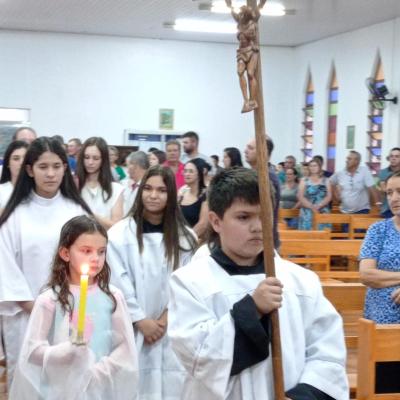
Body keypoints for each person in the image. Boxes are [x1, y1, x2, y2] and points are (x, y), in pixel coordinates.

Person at [168, 167, 348, 400]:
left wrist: (302, 396)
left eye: (265, 216)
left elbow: (327, 355)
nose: (257, 227)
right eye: (244, 217)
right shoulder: (190, 282)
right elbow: (199, 359)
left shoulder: (301, 282)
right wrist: (251, 310)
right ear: (215, 221)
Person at [9, 215, 138, 400]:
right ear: (65, 253)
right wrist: (67, 351)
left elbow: (125, 348)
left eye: (101, 252)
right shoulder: (49, 299)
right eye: (86, 251)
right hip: (58, 390)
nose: (95, 258)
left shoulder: (113, 297)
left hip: (99, 389)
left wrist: (99, 370)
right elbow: (32, 351)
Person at [0, 137, 91, 386]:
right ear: (30, 170)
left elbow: (89, 259)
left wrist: (65, 306)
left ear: (65, 168)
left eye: (56, 166)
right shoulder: (15, 215)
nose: (50, 174)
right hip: (24, 314)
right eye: (42, 167)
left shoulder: (76, 211)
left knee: (67, 381)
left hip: (71, 312)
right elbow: (6, 269)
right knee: (28, 381)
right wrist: (39, 308)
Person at [107, 165, 197, 400]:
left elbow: (187, 283)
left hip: (171, 328)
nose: (153, 195)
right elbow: (118, 280)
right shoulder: (119, 234)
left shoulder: (186, 238)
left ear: (171, 195)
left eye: (161, 190)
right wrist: (140, 319)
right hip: (130, 326)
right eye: (147, 188)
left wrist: (164, 320)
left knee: (171, 387)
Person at [359, 171, 400, 393]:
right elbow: (367, 275)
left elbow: (377, 275)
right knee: (385, 387)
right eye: (390, 192)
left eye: (399, 192)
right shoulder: (378, 230)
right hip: (382, 325)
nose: (394, 198)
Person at [225, 0, 267, 113]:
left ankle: (253, 100)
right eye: (241, 14)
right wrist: (229, 4)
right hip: (242, 51)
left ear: (247, 15)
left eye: (243, 14)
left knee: (250, 74)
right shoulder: (239, 21)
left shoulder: (253, 21)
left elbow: (260, 7)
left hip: (252, 51)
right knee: (239, 72)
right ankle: (246, 100)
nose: (241, 16)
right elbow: (232, 12)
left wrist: (263, 2)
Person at [77, 137, 124, 229]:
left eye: (96, 158)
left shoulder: (116, 189)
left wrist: (91, 215)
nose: (90, 162)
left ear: (103, 160)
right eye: (86, 157)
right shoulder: (74, 186)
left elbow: (117, 227)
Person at [244, 136, 280, 249]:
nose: (245, 150)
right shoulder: (252, 174)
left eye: (250, 148)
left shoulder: (268, 178)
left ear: (263, 152)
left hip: (263, 240)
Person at [330, 151, 379, 215]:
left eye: (349, 159)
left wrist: (378, 203)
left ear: (357, 161)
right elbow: (330, 182)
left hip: (362, 210)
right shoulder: (340, 173)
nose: (346, 161)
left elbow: (372, 188)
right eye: (347, 158)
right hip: (345, 212)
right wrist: (335, 195)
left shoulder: (364, 171)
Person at [298, 158, 332, 230]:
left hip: (322, 210)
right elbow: (300, 196)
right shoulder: (304, 180)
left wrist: (319, 206)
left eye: (315, 166)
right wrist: (311, 207)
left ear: (319, 167)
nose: (313, 168)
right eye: (311, 166)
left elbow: (329, 196)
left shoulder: (326, 180)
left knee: (323, 234)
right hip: (307, 210)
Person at [179, 159, 209, 239]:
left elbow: (203, 224)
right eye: (185, 171)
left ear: (199, 175)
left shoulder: (206, 194)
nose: (187, 174)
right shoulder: (182, 193)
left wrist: (187, 240)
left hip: (196, 241)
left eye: (191, 171)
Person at [0, 140, 29, 211]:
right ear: (8, 164)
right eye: (16, 159)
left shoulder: (38, 190)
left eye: (25, 158)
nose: (21, 162)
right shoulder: (1, 191)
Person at [122, 151, 149, 215]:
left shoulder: (148, 186)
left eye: (127, 165)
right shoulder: (129, 184)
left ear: (135, 165)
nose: (127, 170)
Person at [378, 147, 400, 218]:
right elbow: (384, 189)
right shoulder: (383, 172)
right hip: (387, 209)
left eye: (397, 156)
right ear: (389, 158)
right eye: (391, 156)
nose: (393, 158)